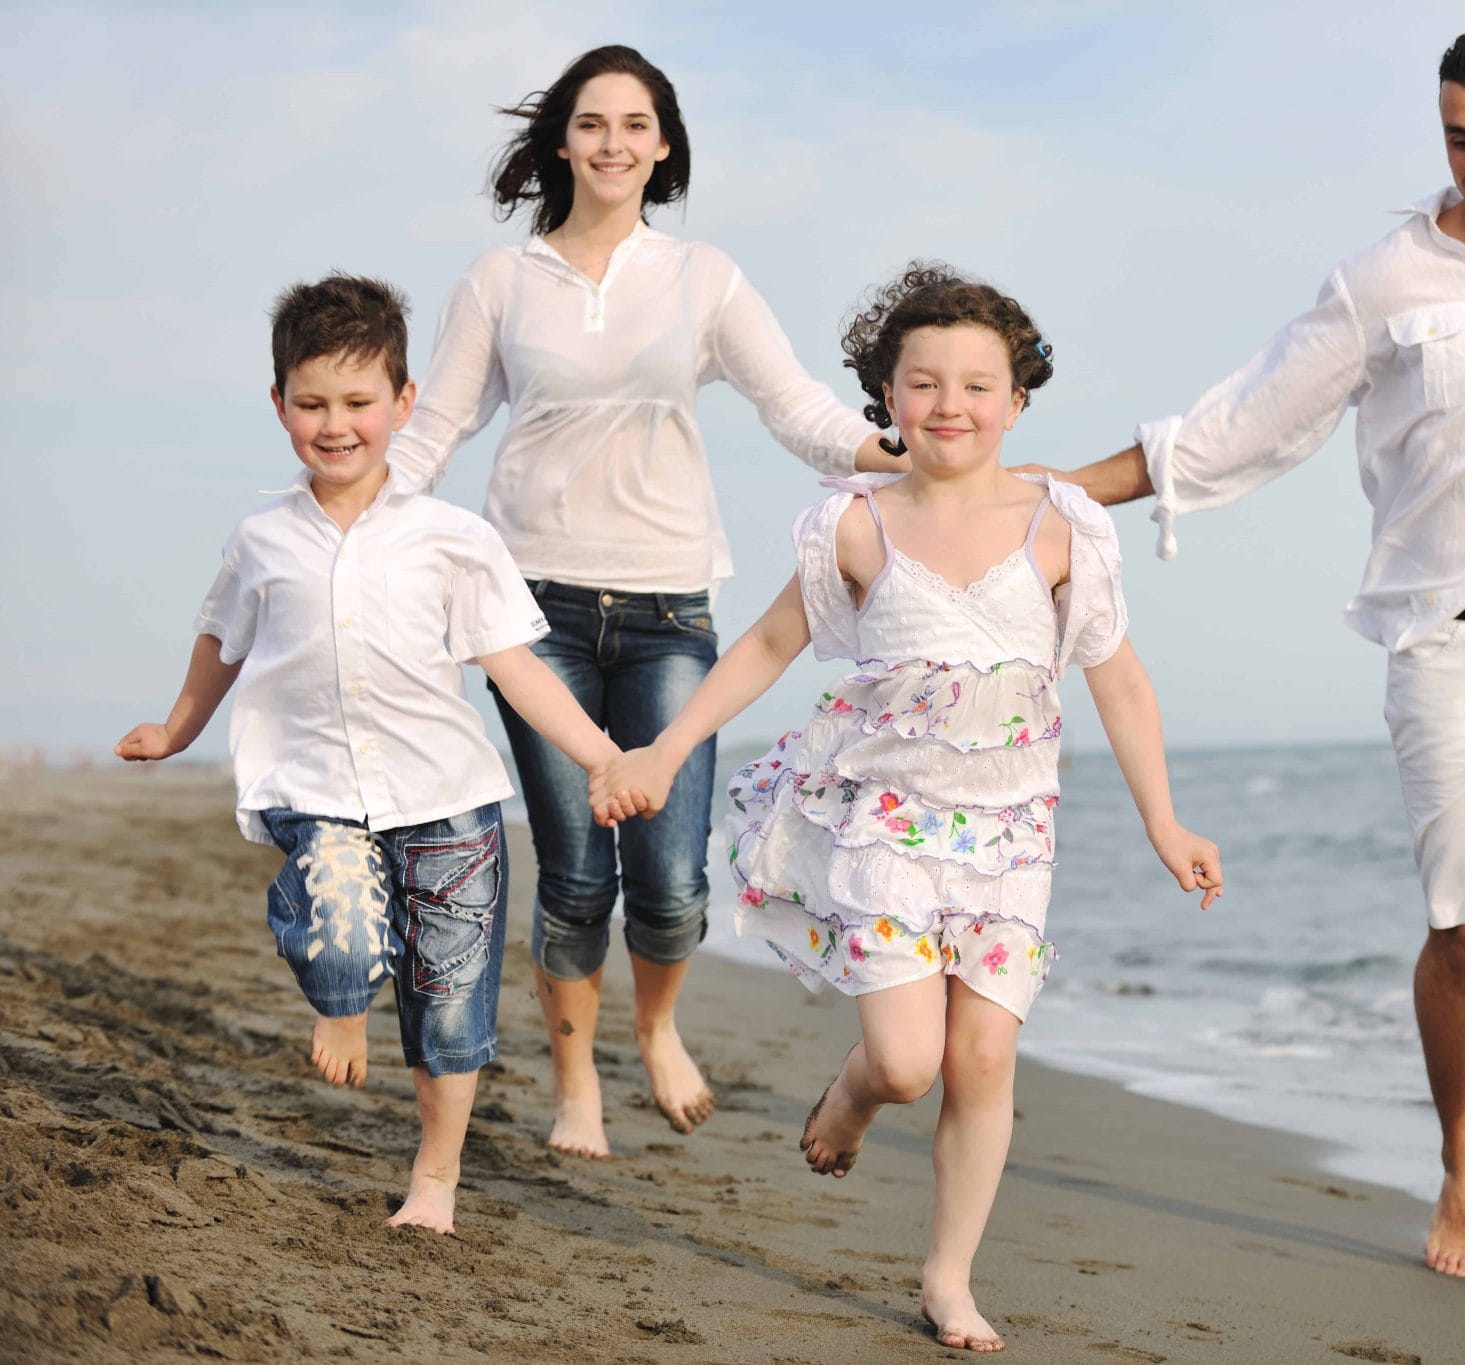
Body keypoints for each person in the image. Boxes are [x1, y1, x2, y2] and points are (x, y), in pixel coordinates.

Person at [1044, 29, 1465, 1282]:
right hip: (1443, 643)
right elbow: (1242, 427)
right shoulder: (1382, 281)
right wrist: (1056, 491)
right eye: (1458, 137)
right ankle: (1463, 1167)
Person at [589, 264, 1223, 1353]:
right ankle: (852, 1093)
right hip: (878, 821)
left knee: (981, 1061)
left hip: (1010, 832)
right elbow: (768, 647)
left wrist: (1166, 822)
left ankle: (948, 1277)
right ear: (886, 396)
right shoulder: (852, 524)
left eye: (977, 386)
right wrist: (665, 745)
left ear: (1016, 401)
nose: (949, 405)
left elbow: (1118, 680)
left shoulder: (1062, 524)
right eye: (922, 383)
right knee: (907, 1062)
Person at [387, 45, 901, 1160]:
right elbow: (436, 430)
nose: (612, 143)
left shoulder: (701, 277)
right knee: (575, 876)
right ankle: (577, 1082)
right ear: (561, 142)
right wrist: (356, 514)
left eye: (634, 124)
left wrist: (897, 458)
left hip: (671, 609)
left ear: (662, 144)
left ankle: (655, 1026)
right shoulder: (500, 282)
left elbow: (799, 409)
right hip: (531, 610)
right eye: (590, 123)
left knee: (667, 886)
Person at [115, 275, 620, 1233]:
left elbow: (516, 667)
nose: (335, 425)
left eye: (357, 403)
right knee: (342, 926)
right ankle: (342, 998)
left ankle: (435, 1178)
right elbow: (221, 641)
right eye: (311, 404)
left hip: (449, 801)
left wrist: (601, 754)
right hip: (319, 792)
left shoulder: (452, 539)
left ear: (403, 403)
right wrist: (177, 728)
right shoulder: (262, 539)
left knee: (449, 999)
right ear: (279, 407)